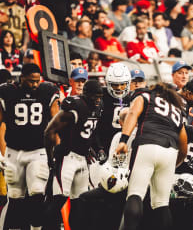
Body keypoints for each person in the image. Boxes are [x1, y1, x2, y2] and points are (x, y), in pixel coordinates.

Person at [116, 83, 188, 230]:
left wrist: (123, 140)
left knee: (135, 193)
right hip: (170, 151)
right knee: (161, 203)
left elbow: (132, 113)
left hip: (147, 144)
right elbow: (184, 145)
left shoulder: (146, 96)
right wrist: (174, 163)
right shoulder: (176, 110)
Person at [0, 63, 60, 229]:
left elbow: (56, 124)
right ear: (22, 78)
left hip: (38, 151)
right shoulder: (6, 91)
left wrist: (58, 150)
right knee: (15, 197)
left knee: (36, 192)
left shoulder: (47, 91)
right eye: (31, 81)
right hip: (13, 151)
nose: (35, 84)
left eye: (37, 81)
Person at [43, 80, 103, 229]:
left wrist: (98, 148)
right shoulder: (75, 106)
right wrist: (51, 158)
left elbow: (90, 133)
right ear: (86, 94)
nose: (97, 100)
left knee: (79, 203)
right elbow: (49, 131)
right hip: (67, 157)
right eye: (94, 97)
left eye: (99, 97)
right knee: (58, 200)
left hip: (82, 159)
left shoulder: (97, 107)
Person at [95, 63, 132, 156]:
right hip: (105, 142)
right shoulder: (101, 96)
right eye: (115, 85)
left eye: (122, 85)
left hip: (125, 143)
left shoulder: (133, 98)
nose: (119, 88)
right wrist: (98, 147)